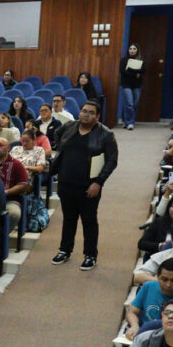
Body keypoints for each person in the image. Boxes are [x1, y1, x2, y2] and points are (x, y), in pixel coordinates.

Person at [50, 100, 118, 271]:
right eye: (83, 111)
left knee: (89, 220)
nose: (86, 114)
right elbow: (57, 136)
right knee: (68, 219)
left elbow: (112, 161)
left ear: (97, 116)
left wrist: (98, 182)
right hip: (66, 182)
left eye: (90, 112)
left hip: (89, 185)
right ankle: (65, 250)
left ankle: (90, 255)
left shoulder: (106, 134)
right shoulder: (69, 127)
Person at [126, 259, 173, 340]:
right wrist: (134, 325)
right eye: (164, 280)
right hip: (145, 336)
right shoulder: (148, 287)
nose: (168, 285)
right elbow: (132, 312)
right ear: (157, 277)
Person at [0, 138, 31, 223]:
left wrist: (5, 192)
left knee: (14, 213)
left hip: (8, 200)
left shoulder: (16, 164)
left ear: (8, 148)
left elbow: (23, 185)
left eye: (0, 145)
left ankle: (1, 235)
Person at [119, 43, 145, 130]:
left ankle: (129, 121)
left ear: (137, 50)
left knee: (134, 104)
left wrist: (130, 70)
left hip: (137, 84)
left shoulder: (141, 60)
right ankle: (129, 122)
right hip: (126, 84)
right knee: (129, 103)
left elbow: (143, 71)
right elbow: (123, 71)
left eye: (134, 49)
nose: (132, 50)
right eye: (130, 49)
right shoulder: (124, 60)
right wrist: (135, 73)